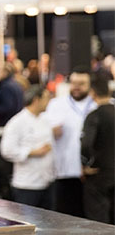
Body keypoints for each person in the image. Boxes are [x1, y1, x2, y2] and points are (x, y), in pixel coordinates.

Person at [41, 66, 94, 217]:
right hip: (64, 170)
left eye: (82, 83)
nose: (77, 87)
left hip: (90, 172)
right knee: (66, 214)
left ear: (90, 85)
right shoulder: (57, 104)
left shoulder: (97, 105)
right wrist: (52, 132)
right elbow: (44, 132)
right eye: (74, 83)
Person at [0, 85, 55, 208]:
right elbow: (7, 150)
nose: (48, 102)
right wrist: (32, 152)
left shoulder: (45, 120)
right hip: (27, 184)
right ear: (36, 100)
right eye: (46, 98)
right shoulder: (16, 122)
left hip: (46, 181)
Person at [80, 73, 114, 224]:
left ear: (92, 92)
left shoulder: (94, 116)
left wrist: (86, 165)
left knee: (98, 217)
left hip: (99, 174)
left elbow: (86, 144)